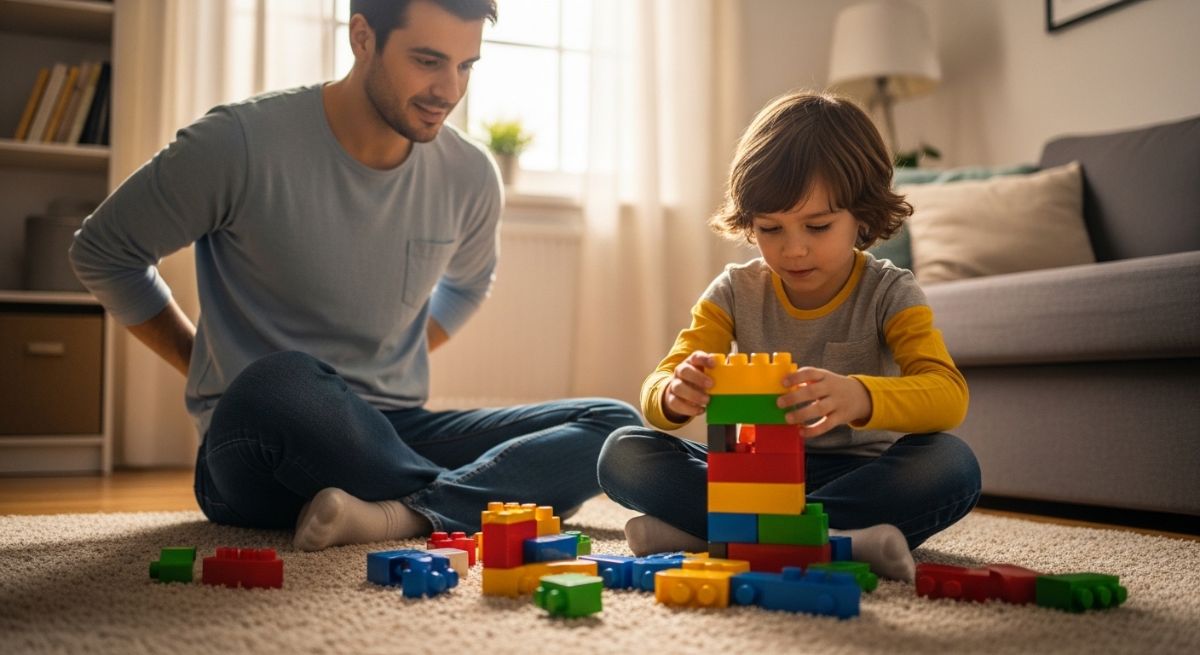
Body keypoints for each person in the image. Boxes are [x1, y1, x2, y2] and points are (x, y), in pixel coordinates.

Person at [70, 0, 641, 551]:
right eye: (427, 60)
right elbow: (104, 251)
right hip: (261, 435)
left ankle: (402, 513)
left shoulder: (468, 174)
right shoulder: (239, 143)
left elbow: (468, 284)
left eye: (465, 65)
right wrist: (199, 362)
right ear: (362, 37)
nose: (450, 90)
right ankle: (479, 494)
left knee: (612, 423)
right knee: (281, 381)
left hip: (392, 430)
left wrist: (403, 348)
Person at [596, 91, 981, 581]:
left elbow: (949, 396)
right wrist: (674, 394)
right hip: (751, 478)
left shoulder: (890, 291)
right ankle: (833, 541)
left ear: (861, 216)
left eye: (817, 226)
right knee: (625, 452)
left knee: (952, 465)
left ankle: (719, 537)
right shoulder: (735, 290)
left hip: (859, 474)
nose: (793, 249)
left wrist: (859, 397)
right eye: (770, 228)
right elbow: (661, 385)